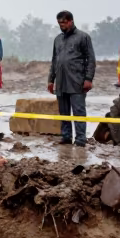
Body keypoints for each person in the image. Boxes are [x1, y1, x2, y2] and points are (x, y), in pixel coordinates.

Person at [47, 10, 96, 147]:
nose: (61, 25)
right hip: (61, 82)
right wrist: (51, 80)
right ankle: (66, 136)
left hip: (77, 82)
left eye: (63, 22)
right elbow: (54, 61)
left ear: (70, 21)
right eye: (59, 23)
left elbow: (91, 60)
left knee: (79, 111)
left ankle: (80, 139)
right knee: (63, 112)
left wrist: (88, 79)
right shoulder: (57, 39)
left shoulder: (83, 37)